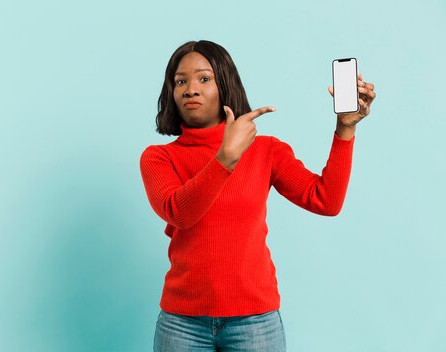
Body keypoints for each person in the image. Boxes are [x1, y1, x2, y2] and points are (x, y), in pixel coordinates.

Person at [139, 40, 376, 352]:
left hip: (255, 323)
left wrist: (345, 129)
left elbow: (326, 201)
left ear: (225, 84)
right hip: (182, 324)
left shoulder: (267, 150)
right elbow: (180, 213)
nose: (190, 89)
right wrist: (226, 157)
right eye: (180, 81)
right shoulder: (158, 158)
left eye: (204, 78)